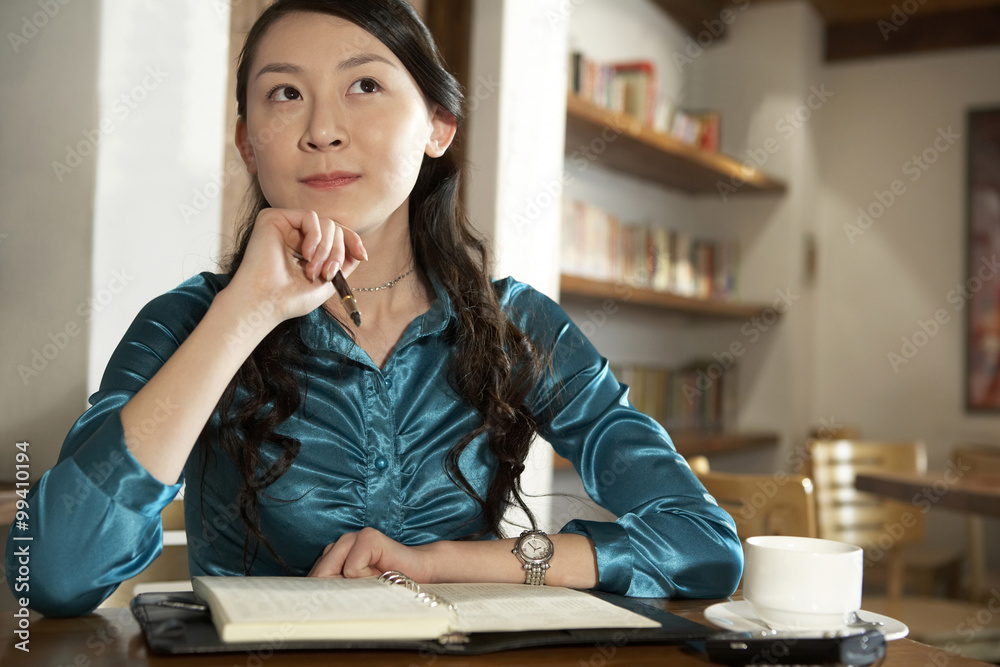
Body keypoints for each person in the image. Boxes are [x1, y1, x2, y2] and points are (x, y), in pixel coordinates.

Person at [5, 0, 742, 618]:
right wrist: (243, 315)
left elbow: (703, 543)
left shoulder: (518, 325)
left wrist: (444, 562)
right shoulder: (191, 319)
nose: (322, 128)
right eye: (285, 94)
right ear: (248, 145)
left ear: (438, 125)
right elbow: (51, 571)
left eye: (364, 86)